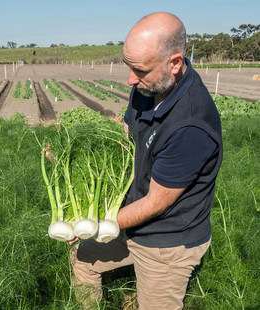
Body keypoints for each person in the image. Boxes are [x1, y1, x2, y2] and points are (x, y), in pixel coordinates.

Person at [70, 12, 223, 310]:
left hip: (167, 238)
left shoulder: (190, 125)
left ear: (175, 63)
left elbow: (156, 203)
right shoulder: (150, 86)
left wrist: (94, 223)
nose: (130, 79)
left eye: (139, 70)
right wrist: (74, 156)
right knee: (82, 258)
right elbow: (129, 134)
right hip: (131, 215)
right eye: (129, 67)